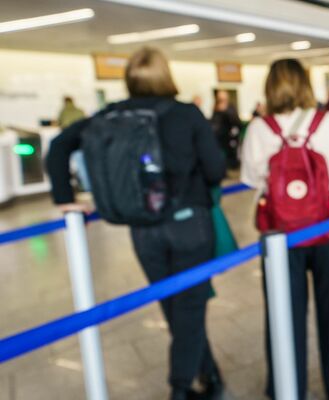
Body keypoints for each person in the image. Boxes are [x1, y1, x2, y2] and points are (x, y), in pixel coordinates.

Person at [46, 47, 227, 400]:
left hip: (142, 228)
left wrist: (65, 197)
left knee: (173, 306)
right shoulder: (185, 114)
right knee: (190, 308)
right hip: (189, 225)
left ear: (129, 79)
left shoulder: (111, 114)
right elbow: (215, 170)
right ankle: (180, 388)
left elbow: (58, 146)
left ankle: (211, 375)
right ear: (167, 75)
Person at [240, 58, 329, 400]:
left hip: (279, 234)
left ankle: (286, 386)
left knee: (283, 313)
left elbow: (253, 180)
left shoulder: (258, 128)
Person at [211, 90, 242, 169]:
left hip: (230, 137)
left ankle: (232, 166)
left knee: (231, 153)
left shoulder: (230, 108)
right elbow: (214, 122)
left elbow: (236, 122)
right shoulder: (215, 107)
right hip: (219, 137)